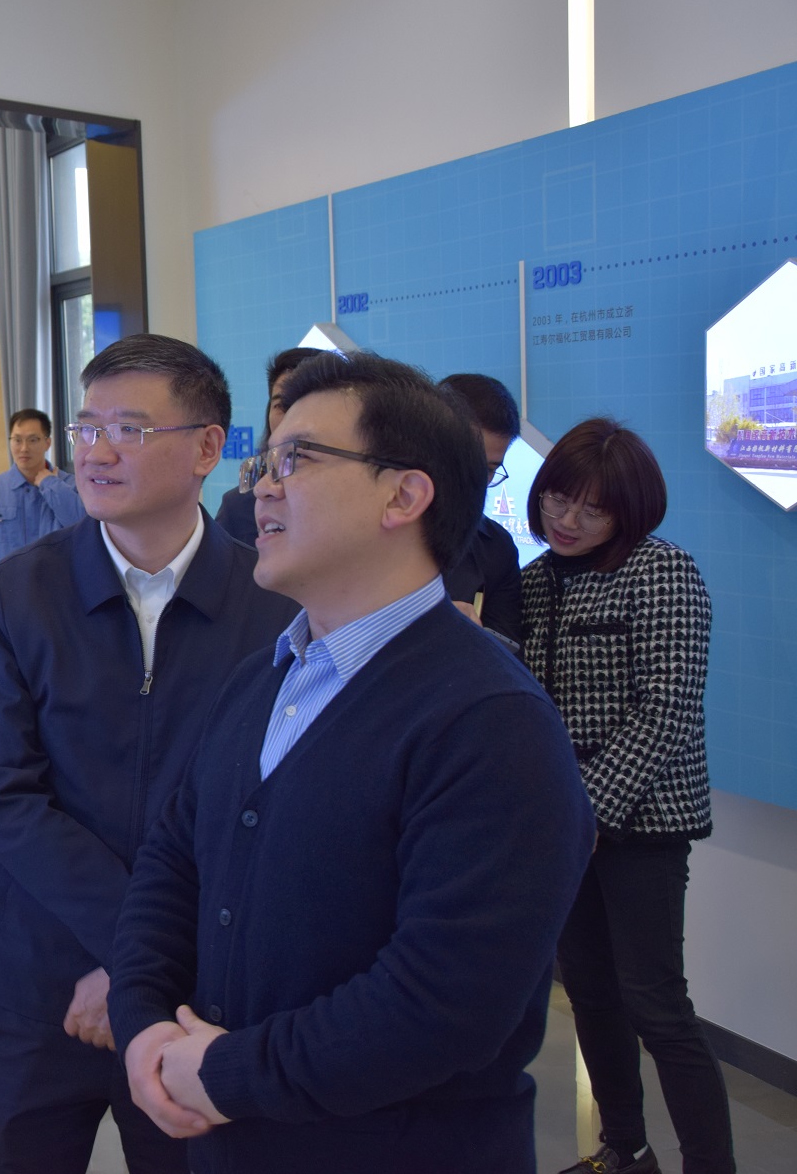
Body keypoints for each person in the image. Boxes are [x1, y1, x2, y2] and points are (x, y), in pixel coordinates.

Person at [108, 351, 595, 1174]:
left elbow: (443, 1002)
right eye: (266, 462)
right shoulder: (263, 679)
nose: (262, 488)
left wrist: (227, 1073)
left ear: (404, 496)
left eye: (297, 461)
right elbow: (173, 862)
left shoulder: (491, 721)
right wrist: (144, 1020)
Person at [0, 335, 296, 1173]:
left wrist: (144, 972)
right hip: (35, 984)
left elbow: (267, 813)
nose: (96, 452)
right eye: (87, 428)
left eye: (129, 431)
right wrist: (129, 953)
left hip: (196, 1003)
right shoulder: (17, 594)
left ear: (208, 449)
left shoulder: (274, 608)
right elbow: (10, 799)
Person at [519, 419, 734, 1174]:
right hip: (566, 825)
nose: (568, 520)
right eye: (558, 500)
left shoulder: (662, 572)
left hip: (641, 823)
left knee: (657, 1005)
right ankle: (626, 1150)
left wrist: (590, 811)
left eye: (593, 510)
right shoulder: (535, 580)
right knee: (590, 994)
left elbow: (667, 706)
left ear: (629, 512)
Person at [0, 408, 85, 609]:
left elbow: (83, 527)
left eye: (33, 440)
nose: (24, 448)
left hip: (61, 602)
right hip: (7, 603)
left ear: (47, 442)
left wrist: (50, 485)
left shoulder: (72, 486)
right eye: (17, 440)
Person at [439, 372, 525, 646]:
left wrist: (475, 637)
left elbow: (508, 651)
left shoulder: (496, 547)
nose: (473, 481)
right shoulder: (367, 523)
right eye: (463, 461)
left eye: (488, 469)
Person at [213, 347, 322, 546]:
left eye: (305, 404)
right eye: (282, 405)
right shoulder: (239, 507)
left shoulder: (357, 499)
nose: (293, 419)